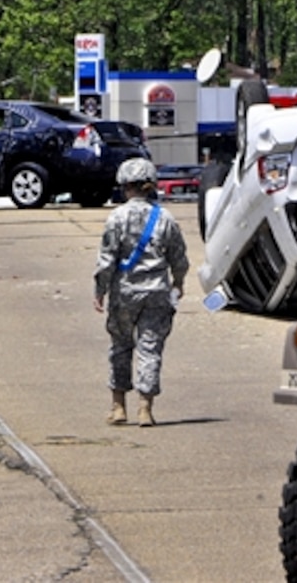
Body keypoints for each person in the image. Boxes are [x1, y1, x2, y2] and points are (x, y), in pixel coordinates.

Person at [94, 158, 189, 427]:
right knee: (151, 348)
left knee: (120, 346)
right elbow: (179, 257)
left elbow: (106, 259)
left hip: (124, 292)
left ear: (125, 186)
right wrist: (178, 282)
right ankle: (145, 409)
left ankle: (118, 406)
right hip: (157, 292)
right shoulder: (165, 218)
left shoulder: (116, 217)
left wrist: (100, 290)